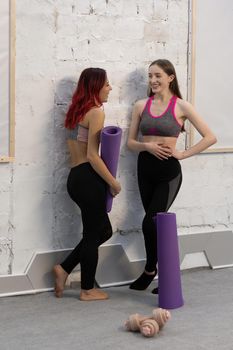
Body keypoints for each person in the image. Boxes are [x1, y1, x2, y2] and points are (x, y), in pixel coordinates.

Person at [127, 59, 217, 292]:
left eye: (158, 75)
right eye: (150, 76)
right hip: (144, 169)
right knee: (153, 225)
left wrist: (183, 154)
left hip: (168, 171)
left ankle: (150, 271)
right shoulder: (140, 106)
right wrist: (147, 147)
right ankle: (162, 273)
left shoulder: (182, 107)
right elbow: (130, 143)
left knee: (150, 222)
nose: (153, 80)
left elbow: (210, 137)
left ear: (170, 78)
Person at [53, 68, 121, 301]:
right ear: (95, 87)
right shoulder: (96, 112)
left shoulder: (75, 111)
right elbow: (93, 155)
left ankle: (64, 268)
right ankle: (87, 289)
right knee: (93, 234)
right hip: (89, 178)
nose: (110, 88)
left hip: (75, 177)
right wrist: (114, 183)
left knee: (103, 231)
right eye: (107, 84)